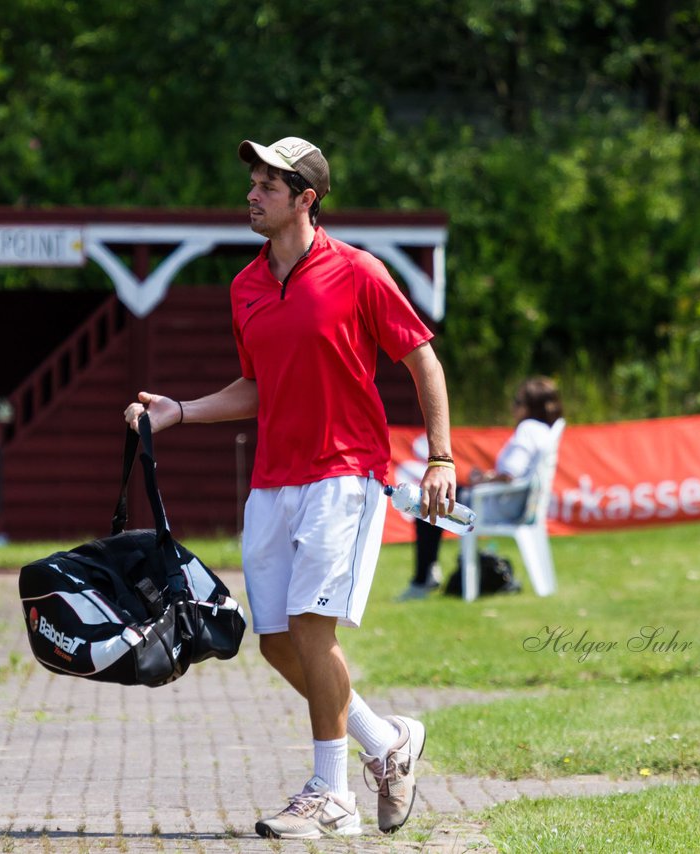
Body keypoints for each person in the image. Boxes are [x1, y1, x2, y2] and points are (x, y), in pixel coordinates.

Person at [124, 136, 457, 839]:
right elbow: (255, 386)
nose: (251, 194)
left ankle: (331, 794)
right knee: (274, 640)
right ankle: (387, 743)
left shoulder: (359, 272)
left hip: (347, 474)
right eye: (252, 182)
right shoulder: (244, 286)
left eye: (268, 186)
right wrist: (179, 412)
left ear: (306, 198)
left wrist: (442, 457)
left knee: (311, 627)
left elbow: (421, 357)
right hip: (273, 481)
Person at [401, 375, 563, 600]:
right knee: (439, 498)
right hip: (513, 503)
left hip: (498, 505)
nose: (512, 407)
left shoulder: (528, 429)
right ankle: (427, 575)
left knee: (429, 501)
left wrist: (483, 480)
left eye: (517, 402)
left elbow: (510, 474)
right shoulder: (546, 431)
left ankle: (423, 578)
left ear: (529, 407)